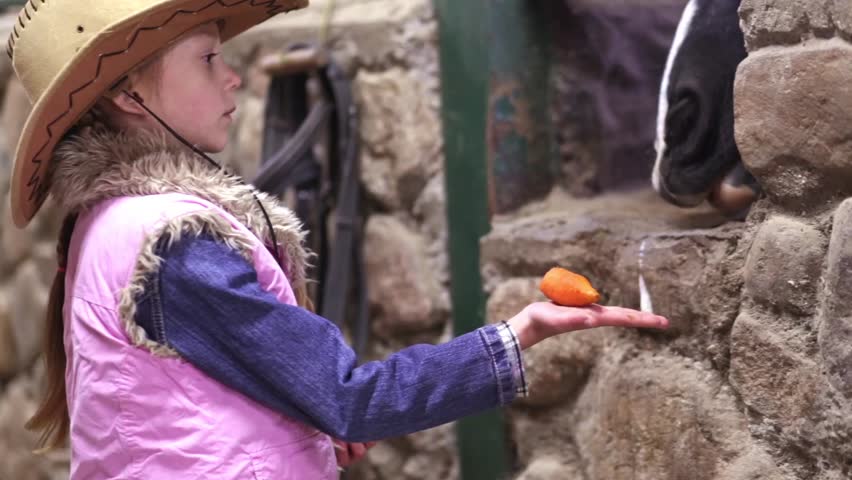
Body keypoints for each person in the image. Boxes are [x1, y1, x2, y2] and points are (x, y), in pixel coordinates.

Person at [6, 1, 669, 478]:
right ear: (129, 93)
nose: (233, 76)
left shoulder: (111, 225)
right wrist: (515, 335)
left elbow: (198, 397)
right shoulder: (173, 245)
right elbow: (350, 400)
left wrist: (301, 417)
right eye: (208, 58)